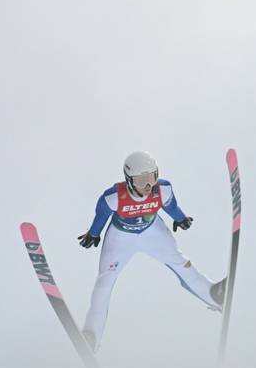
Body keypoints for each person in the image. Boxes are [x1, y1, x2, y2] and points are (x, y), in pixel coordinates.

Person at [77, 150, 225, 351]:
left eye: (152, 178)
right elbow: (100, 217)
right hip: (121, 238)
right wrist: (94, 233)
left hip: (152, 232)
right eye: (141, 181)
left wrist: (180, 218)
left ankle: (213, 295)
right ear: (129, 180)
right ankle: (91, 336)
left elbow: (171, 206)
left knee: (180, 262)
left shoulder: (162, 189)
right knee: (104, 282)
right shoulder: (113, 197)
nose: (148, 186)